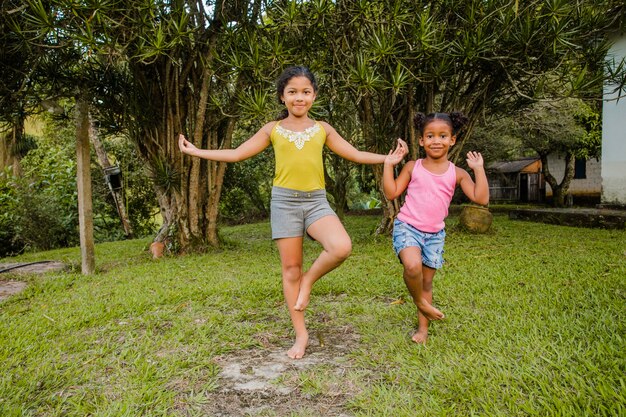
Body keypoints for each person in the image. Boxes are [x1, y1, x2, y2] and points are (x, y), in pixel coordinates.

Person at [179, 66, 408, 359]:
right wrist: (196, 151)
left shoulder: (323, 129)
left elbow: (354, 154)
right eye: (292, 92)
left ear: (314, 96)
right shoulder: (272, 129)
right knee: (290, 270)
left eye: (305, 92)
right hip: (284, 203)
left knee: (341, 247)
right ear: (282, 98)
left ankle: (309, 282)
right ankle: (301, 335)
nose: (299, 98)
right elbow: (236, 154)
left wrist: (389, 158)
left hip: (316, 201)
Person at [383, 111, 489, 344]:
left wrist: (478, 169)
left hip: (434, 235)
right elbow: (391, 192)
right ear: (421, 140)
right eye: (430, 136)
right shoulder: (413, 166)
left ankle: (423, 330)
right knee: (412, 267)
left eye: (443, 136)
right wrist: (389, 165)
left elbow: (481, 199)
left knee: (427, 282)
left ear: (452, 140)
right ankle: (421, 303)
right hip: (408, 226)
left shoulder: (457, 173)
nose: (436, 141)